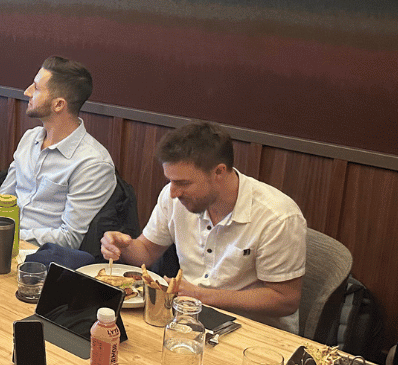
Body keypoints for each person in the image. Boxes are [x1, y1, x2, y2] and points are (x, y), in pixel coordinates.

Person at [100, 121, 306, 333]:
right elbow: (146, 252)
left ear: (219, 172)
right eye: (170, 181)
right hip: (188, 319)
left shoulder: (278, 217)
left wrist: (203, 296)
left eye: (183, 183)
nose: (173, 192)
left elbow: (285, 300)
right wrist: (123, 246)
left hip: (255, 332)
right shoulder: (174, 197)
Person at [0, 56, 116, 252]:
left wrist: (8, 232)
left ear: (59, 105)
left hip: (40, 258)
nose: (27, 92)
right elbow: (3, 198)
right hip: (2, 242)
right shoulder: (29, 138)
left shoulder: (93, 163)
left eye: (36, 88)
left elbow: (70, 239)